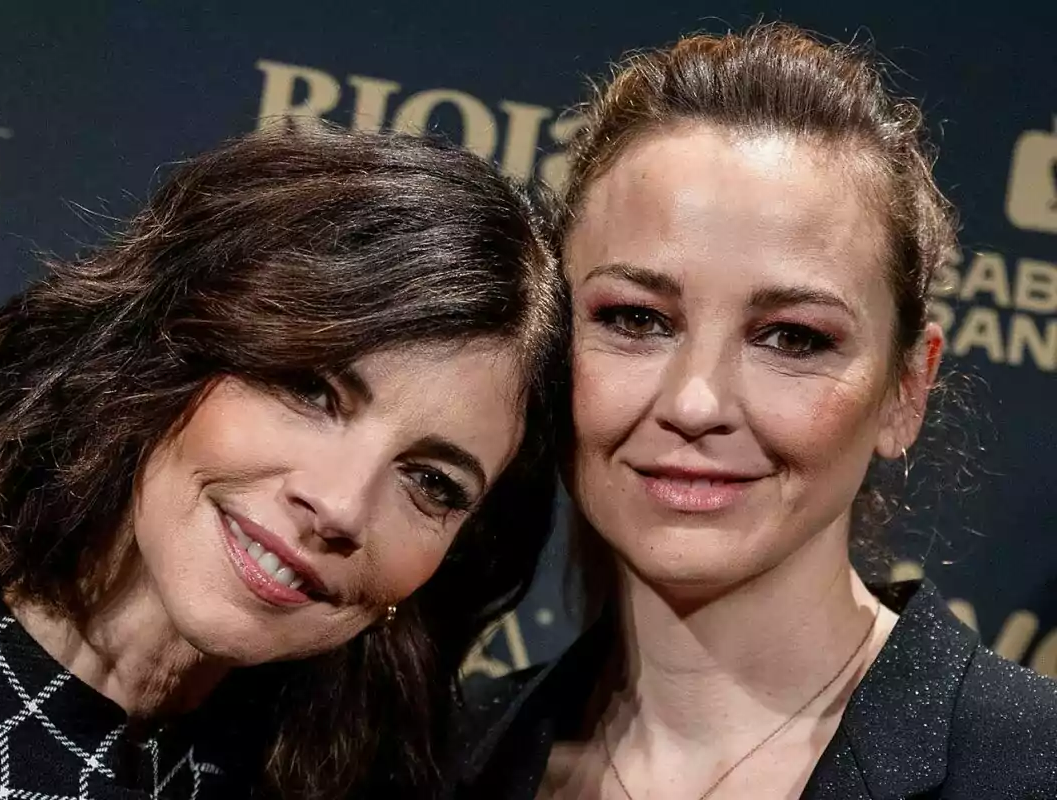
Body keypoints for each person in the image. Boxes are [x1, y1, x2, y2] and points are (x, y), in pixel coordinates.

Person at [0, 124, 567, 799]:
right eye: (311, 390)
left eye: (432, 483)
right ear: (163, 355)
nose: (342, 505)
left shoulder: (359, 779)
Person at [449, 23, 1057, 800]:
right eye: (636, 319)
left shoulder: (1030, 765)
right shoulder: (437, 759)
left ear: (906, 390)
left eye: (792, 337)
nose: (695, 403)